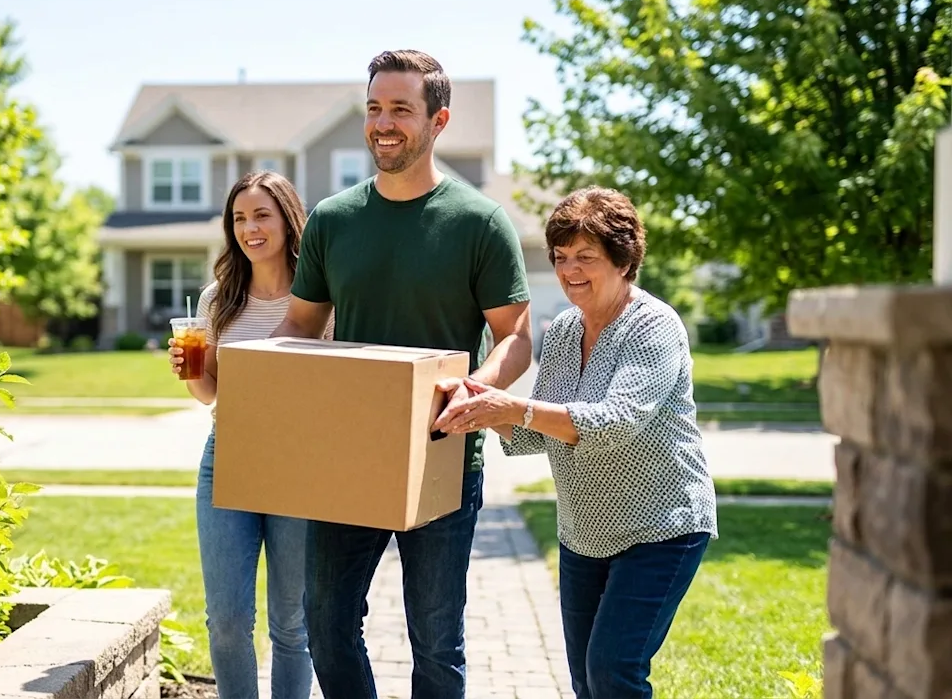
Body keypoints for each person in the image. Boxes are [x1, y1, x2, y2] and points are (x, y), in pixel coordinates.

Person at [269, 49, 534, 698]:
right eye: (374, 109)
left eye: (400, 110)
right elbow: (301, 325)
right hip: (347, 458)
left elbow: (518, 337)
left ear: (438, 120)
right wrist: (257, 381)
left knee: (436, 644)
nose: (383, 124)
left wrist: (481, 388)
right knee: (328, 624)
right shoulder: (334, 219)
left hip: (442, 458)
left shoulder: (479, 222)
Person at [432, 185, 719, 699]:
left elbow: (615, 422)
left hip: (663, 528)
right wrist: (474, 403)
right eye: (561, 257)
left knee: (613, 670)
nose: (569, 271)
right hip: (584, 532)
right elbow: (534, 433)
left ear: (624, 258)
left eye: (585, 256)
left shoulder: (653, 326)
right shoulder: (564, 330)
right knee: (587, 682)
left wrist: (512, 406)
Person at [168, 171, 331, 699]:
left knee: (291, 624)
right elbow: (210, 392)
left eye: (262, 215)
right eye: (239, 218)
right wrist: (189, 370)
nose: (249, 228)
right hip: (229, 456)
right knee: (228, 619)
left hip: (299, 465)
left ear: (288, 219)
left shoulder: (322, 297)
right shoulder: (221, 297)